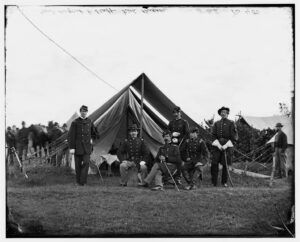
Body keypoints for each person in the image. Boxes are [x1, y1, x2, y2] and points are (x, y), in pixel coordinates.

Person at [68, 105, 99, 186]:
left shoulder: (90, 121)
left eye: (85, 111)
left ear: (87, 112)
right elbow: (71, 135)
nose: (84, 113)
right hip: (77, 147)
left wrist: (92, 138)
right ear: (80, 112)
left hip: (87, 148)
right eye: (82, 111)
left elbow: (95, 132)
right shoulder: (75, 122)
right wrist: (72, 147)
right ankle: (78, 182)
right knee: (77, 165)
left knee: (86, 163)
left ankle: (83, 182)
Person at [211, 106, 238, 187]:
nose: (223, 113)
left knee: (225, 164)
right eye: (222, 112)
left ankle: (224, 182)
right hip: (217, 145)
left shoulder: (231, 123)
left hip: (227, 145)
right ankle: (214, 182)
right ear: (220, 114)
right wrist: (218, 145)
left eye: (225, 112)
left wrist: (226, 146)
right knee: (214, 163)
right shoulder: (216, 123)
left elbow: (234, 137)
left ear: (227, 114)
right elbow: (213, 136)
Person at [168, 106, 190, 184]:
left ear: (180, 113)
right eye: (174, 112)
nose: (175, 114)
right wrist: (172, 134)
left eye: (177, 112)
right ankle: (170, 178)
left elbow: (187, 134)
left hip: (182, 144)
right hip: (173, 144)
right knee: (173, 160)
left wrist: (182, 139)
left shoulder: (184, 122)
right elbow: (167, 132)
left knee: (180, 161)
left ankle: (178, 178)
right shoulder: (171, 122)